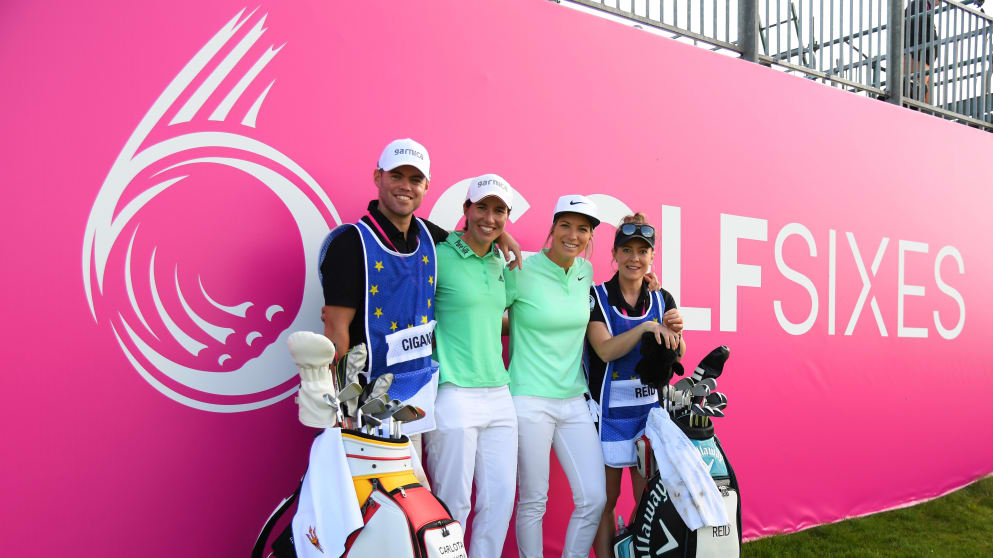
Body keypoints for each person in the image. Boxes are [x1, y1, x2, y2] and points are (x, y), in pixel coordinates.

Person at [318, 138, 522, 452]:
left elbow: (474, 232)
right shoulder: (349, 244)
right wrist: (336, 405)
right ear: (378, 178)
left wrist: (503, 233)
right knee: (383, 497)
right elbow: (335, 333)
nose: (405, 187)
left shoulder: (428, 235)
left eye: (415, 179)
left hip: (415, 396)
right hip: (364, 401)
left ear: (426, 187)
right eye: (396, 176)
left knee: (411, 494)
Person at [505, 194, 608, 558]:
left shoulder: (586, 273)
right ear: (552, 227)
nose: (573, 235)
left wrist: (652, 286)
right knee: (533, 499)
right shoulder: (521, 268)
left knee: (594, 497)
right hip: (528, 398)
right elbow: (486, 308)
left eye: (583, 229)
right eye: (565, 225)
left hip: (573, 399)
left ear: (590, 237)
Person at [424, 174, 518, 558]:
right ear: (466, 210)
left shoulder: (502, 264)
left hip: (499, 393)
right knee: (452, 505)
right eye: (482, 207)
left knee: (498, 503)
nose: (489, 218)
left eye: (499, 211)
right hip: (452, 391)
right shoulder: (437, 253)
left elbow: (502, 319)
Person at [584, 213, 685, 558]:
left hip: (648, 416)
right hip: (608, 416)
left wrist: (676, 333)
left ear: (652, 257)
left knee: (647, 500)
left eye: (642, 251)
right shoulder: (597, 296)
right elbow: (605, 349)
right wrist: (644, 329)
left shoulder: (662, 299)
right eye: (627, 250)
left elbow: (680, 351)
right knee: (604, 502)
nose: (634, 258)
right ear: (614, 253)